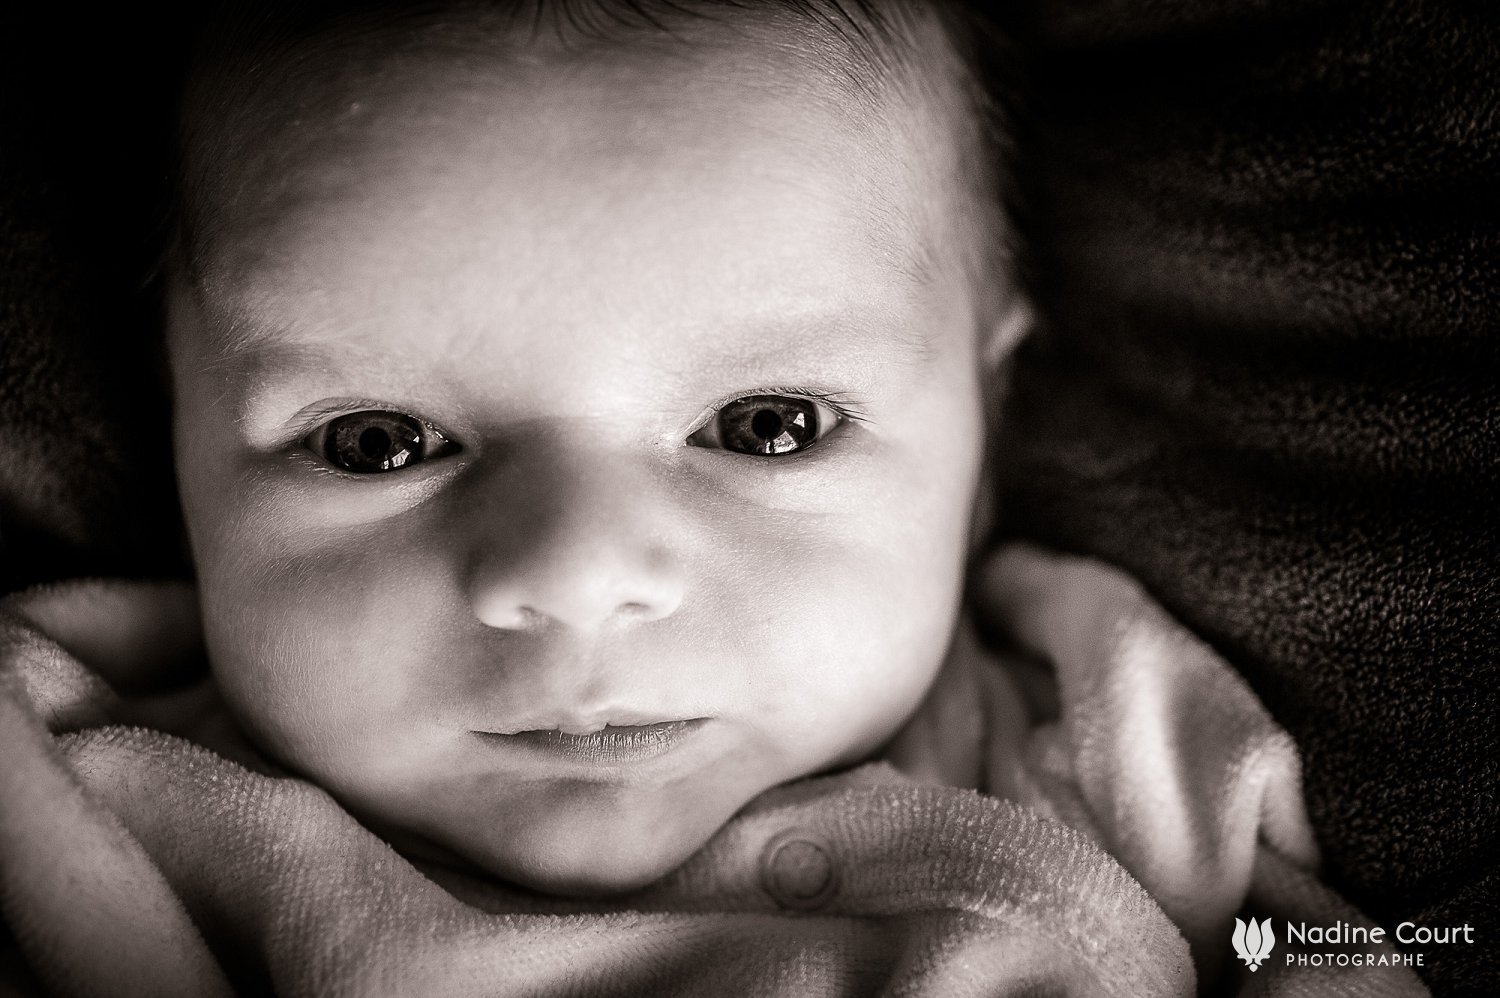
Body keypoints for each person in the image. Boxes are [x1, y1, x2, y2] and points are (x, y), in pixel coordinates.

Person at [0, 2, 1429, 994]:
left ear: (985, 421)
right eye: (375, 442)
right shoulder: (91, 797)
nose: (572, 572)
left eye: (769, 423)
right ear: (176, 426)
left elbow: (1320, 950)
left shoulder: (1086, 720)